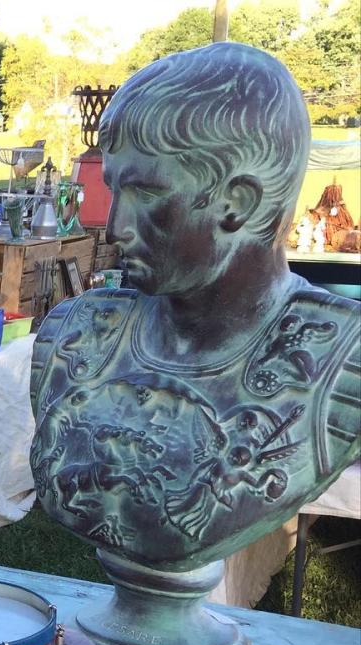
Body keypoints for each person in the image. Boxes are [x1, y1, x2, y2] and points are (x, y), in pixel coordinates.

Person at [30, 41, 359, 572]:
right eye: (115, 189)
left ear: (238, 203)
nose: (114, 228)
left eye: (147, 193)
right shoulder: (77, 334)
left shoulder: (342, 360)